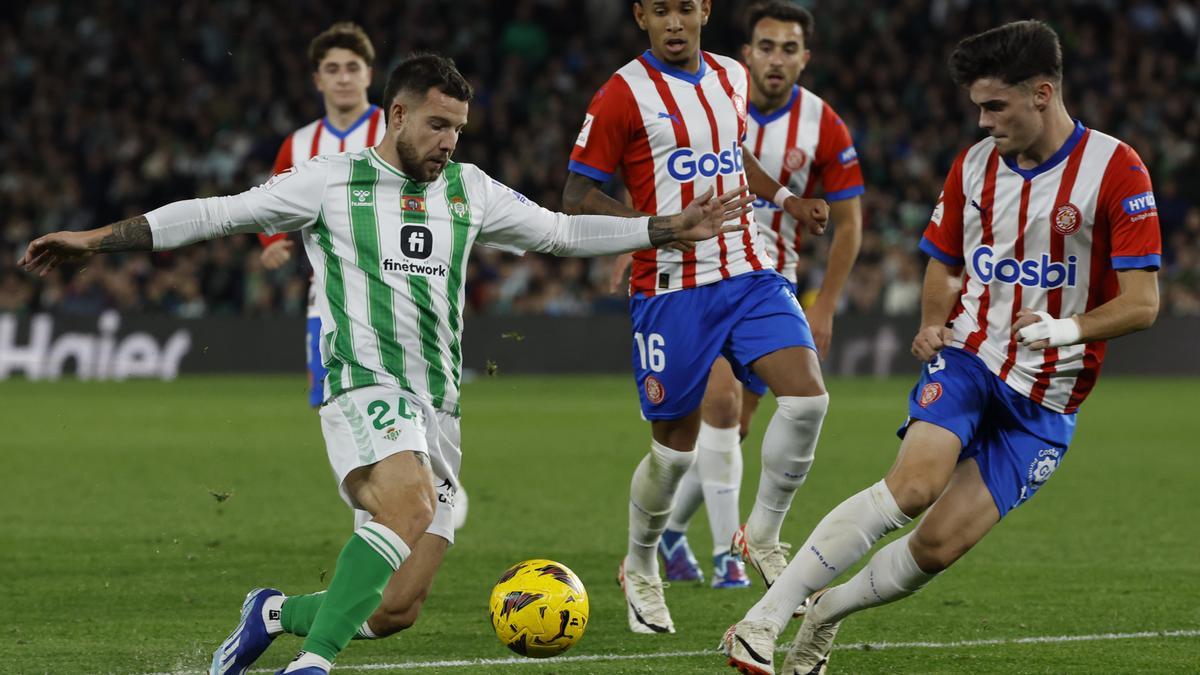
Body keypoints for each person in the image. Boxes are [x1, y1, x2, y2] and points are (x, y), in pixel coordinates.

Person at [21, 53, 753, 675]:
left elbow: (560, 232)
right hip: (361, 384)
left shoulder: (469, 190)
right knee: (408, 506)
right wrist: (95, 238)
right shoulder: (331, 181)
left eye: (458, 129)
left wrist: (658, 228)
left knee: (396, 607)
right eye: (437, 124)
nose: (447, 142)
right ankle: (313, 664)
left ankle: (274, 611)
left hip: (438, 410)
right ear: (396, 114)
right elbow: (217, 213)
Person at [721, 20, 1162, 674]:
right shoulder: (975, 165)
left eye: (995, 106)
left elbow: (1143, 302)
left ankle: (825, 612)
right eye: (977, 107)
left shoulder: (1116, 169)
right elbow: (943, 260)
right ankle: (760, 621)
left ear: (1043, 93)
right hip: (971, 359)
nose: (983, 122)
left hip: (1047, 402)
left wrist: (1067, 329)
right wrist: (934, 321)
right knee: (913, 484)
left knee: (935, 548)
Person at [563, 0, 830, 633]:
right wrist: (654, 228)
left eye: (685, 8)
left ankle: (761, 534)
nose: (675, 23)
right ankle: (641, 564)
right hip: (670, 289)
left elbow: (735, 155)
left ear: (705, 9)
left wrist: (787, 198)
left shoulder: (732, 76)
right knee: (673, 455)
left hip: (748, 272)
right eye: (661, 11)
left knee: (808, 401)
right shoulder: (621, 94)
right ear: (641, 17)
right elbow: (576, 194)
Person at [659, 0, 864, 591]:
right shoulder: (711, 96)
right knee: (720, 412)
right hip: (704, 276)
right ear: (747, 53)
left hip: (774, 288)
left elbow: (849, 224)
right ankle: (730, 556)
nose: (777, 59)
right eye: (766, 47)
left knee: (734, 431)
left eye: (789, 48)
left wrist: (823, 304)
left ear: (806, 58)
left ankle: (667, 535)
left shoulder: (824, 123)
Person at [259, 22, 385, 409]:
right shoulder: (298, 144)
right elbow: (269, 203)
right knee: (332, 406)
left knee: (399, 407)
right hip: (326, 297)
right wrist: (273, 241)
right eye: (333, 69)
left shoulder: (394, 131)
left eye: (352, 67)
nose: (343, 78)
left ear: (369, 73)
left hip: (393, 291)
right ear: (318, 80)